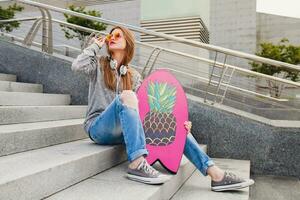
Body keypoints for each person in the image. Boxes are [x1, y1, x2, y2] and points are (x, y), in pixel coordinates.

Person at [71, 25, 254, 191]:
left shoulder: (134, 77)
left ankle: (215, 174)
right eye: (110, 35)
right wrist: (95, 45)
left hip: (123, 133)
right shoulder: (98, 64)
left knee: (178, 127)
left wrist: (182, 124)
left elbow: (148, 111)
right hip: (99, 128)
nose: (112, 37)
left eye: (118, 35)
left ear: (128, 43)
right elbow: (77, 66)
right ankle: (136, 164)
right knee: (127, 96)